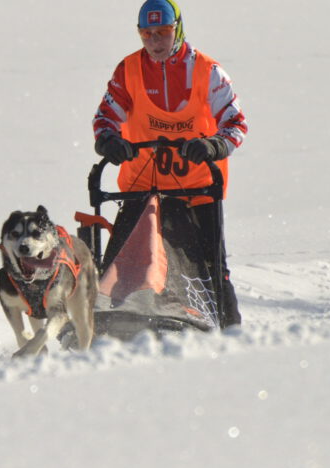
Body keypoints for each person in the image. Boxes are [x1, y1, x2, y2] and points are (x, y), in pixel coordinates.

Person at [92, 0, 247, 327]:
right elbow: (106, 116)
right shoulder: (128, 70)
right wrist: (109, 140)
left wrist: (213, 144)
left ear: (178, 28)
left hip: (197, 189)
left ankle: (230, 331)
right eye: (146, 34)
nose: (155, 41)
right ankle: (107, 321)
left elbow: (235, 124)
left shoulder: (207, 71)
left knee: (211, 267)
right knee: (123, 261)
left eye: (162, 32)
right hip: (140, 188)